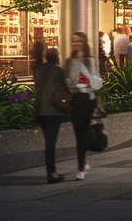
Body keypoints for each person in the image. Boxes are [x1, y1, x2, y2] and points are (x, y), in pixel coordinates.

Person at [65, 32, 101, 181]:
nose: (76, 43)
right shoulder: (70, 61)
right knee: (78, 133)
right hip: (75, 99)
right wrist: (71, 86)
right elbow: (67, 80)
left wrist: (98, 104)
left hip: (88, 99)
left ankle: (81, 166)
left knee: (84, 134)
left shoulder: (90, 60)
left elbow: (96, 80)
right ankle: (82, 163)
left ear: (84, 42)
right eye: (74, 41)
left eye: (79, 41)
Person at [33, 46, 68, 183]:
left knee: (49, 142)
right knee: (51, 142)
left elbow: (37, 91)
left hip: (41, 111)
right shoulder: (59, 71)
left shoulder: (40, 70)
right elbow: (66, 88)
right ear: (57, 57)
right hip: (54, 111)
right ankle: (52, 173)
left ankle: (51, 171)